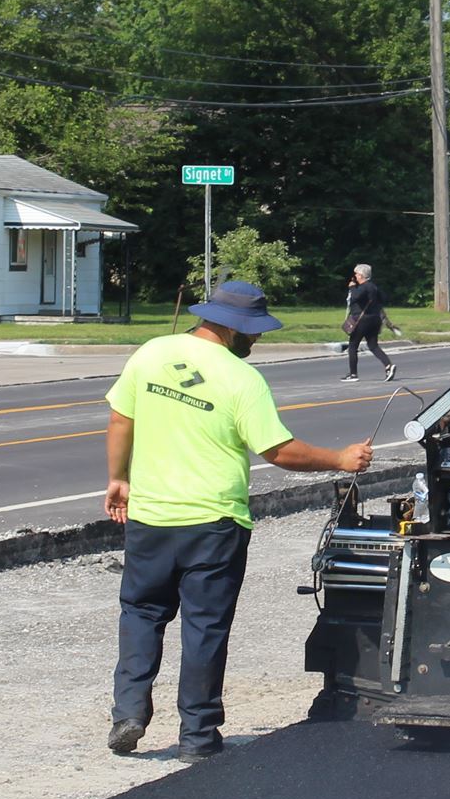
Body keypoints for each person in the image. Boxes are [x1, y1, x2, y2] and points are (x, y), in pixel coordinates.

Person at [104, 280, 374, 757]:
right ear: (232, 330)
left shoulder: (151, 353)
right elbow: (279, 451)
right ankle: (198, 736)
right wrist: (340, 459)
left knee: (142, 614)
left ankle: (129, 712)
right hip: (214, 521)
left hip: (150, 516)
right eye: (253, 332)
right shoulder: (242, 380)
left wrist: (118, 477)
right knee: (204, 627)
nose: (258, 340)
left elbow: (121, 418)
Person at [341, 263, 396, 382]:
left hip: (362, 320)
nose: (355, 275)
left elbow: (355, 297)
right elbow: (383, 299)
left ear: (361, 275)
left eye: (356, 273)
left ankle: (353, 374)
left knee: (352, 346)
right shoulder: (374, 287)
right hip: (375, 319)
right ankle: (388, 366)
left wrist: (351, 287)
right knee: (373, 345)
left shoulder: (363, 287)